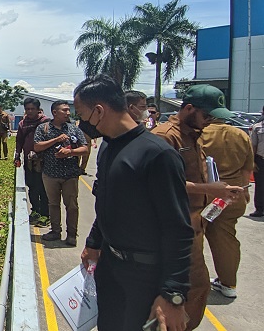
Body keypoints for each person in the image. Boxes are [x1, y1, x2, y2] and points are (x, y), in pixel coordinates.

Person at [75, 74, 193, 331]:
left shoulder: (157, 155)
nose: (82, 123)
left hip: (145, 276)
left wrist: (173, 293)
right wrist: (94, 242)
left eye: (82, 115)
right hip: (111, 267)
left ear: (98, 111)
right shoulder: (108, 147)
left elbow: (179, 229)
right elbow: (106, 202)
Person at [151, 84, 244, 330]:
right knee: (189, 288)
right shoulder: (165, 136)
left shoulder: (192, 134)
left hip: (194, 224)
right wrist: (209, 190)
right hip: (175, 228)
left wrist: (217, 195)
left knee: (194, 288)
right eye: (207, 115)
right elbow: (160, 185)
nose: (210, 121)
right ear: (189, 108)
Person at [199, 118, 255, 298]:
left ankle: (193, 281)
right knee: (226, 240)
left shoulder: (200, 133)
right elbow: (247, 169)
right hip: (233, 195)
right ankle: (228, 283)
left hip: (202, 193)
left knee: (193, 239)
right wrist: (245, 191)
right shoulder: (240, 134)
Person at [34, 100, 88, 246]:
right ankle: (55, 231)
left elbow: (85, 148)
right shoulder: (43, 128)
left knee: (72, 205)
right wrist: (56, 139)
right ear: (55, 112)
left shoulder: (74, 129)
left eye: (68, 110)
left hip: (70, 174)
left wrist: (70, 152)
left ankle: (72, 235)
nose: (68, 113)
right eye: (64, 110)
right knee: (53, 204)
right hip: (50, 173)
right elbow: (37, 146)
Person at [14, 97, 50, 226]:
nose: (30, 111)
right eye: (27, 109)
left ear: (38, 109)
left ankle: (46, 215)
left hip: (44, 160)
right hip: (29, 160)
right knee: (32, 186)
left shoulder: (45, 122)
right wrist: (17, 154)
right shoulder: (23, 124)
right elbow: (19, 140)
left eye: (32, 109)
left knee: (44, 188)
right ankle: (35, 211)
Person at [250, 105, 264, 217]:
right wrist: (253, 162)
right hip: (260, 160)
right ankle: (259, 209)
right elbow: (253, 146)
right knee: (260, 185)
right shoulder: (257, 127)